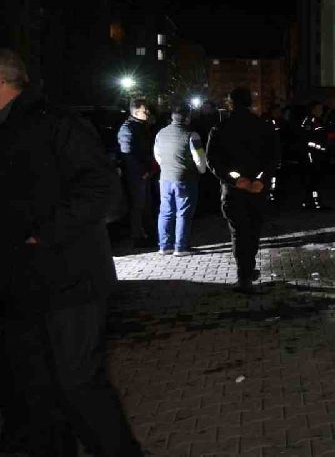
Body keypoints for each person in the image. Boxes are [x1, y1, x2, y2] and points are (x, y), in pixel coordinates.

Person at [0, 49, 141, 456]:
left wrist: (40, 234)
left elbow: (101, 191)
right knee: (35, 395)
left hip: (71, 283)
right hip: (20, 287)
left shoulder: (58, 125)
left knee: (79, 385)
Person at [206, 87, 280, 292]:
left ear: (230, 103)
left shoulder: (220, 128)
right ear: (250, 103)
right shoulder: (264, 126)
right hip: (257, 189)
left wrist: (235, 180)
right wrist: (260, 179)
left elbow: (213, 161)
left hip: (233, 190)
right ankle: (248, 270)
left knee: (239, 232)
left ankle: (244, 275)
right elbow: (274, 157)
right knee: (254, 229)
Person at [153, 103, 208, 256]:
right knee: (183, 213)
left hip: (165, 178)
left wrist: (167, 166)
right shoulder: (192, 135)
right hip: (185, 178)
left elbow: (157, 155)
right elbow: (199, 158)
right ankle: (181, 247)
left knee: (165, 212)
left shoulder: (161, 133)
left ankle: (164, 246)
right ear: (188, 117)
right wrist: (201, 171)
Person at [117, 97, 153, 247]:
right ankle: (137, 237)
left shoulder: (138, 126)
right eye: (145, 111)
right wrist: (142, 171)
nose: (148, 113)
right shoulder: (128, 128)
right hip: (136, 175)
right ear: (137, 112)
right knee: (138, 206)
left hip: (142, 173)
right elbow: (128, 154)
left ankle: (147, 234)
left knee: (145, 205)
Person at [298, 101, 329, 210]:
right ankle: (315, 203)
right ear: (314, 109)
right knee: (313, 179)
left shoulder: (317, 121)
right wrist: (319, 147)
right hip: (311, 155)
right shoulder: (310, 121)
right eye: (320, 109)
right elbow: (307, 140)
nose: (321, 111)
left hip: (316, 154)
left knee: (314, 179)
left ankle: (309, 202)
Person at [265, 104, 288, 203]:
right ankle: (271, 193)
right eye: (278, 111)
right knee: (272, 174)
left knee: (277, 173)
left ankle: (275, 192)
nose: (280, 113)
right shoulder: (270, 122)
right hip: (272, 153)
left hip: (278, 152)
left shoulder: (280, 122)